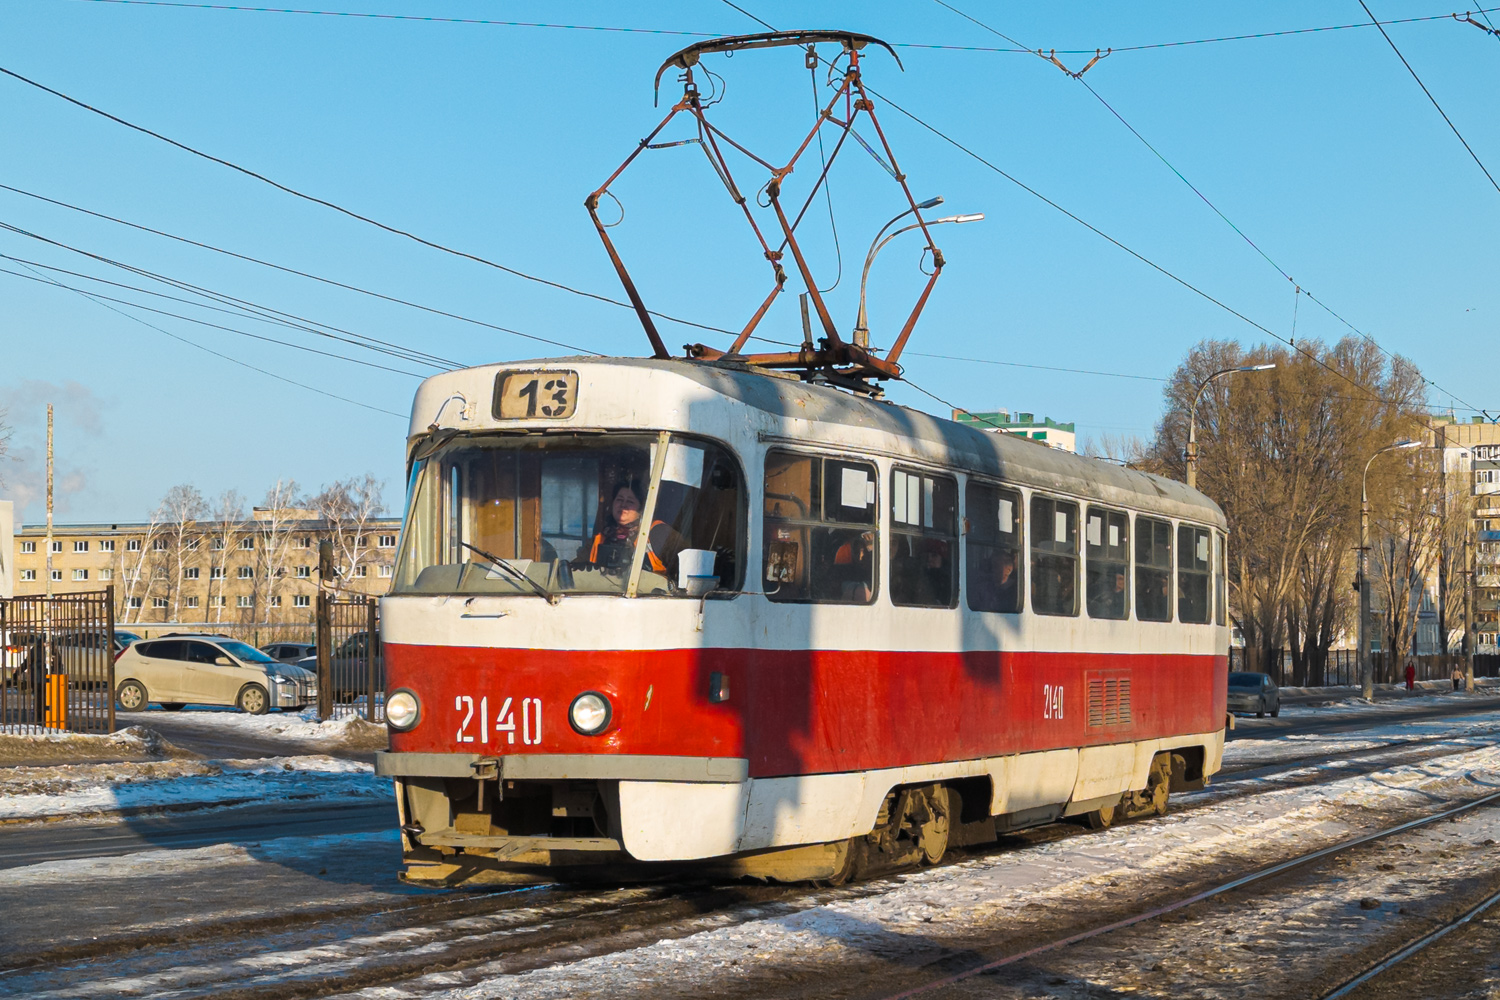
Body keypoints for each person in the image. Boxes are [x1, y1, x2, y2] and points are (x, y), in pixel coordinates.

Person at [577, 481, 680, 578]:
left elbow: (685, 567)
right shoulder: (602, 535)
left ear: (641, 508)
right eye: (619, 499)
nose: (623, 505)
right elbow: (577, 567)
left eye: (630, 501)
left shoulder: (659, 532)